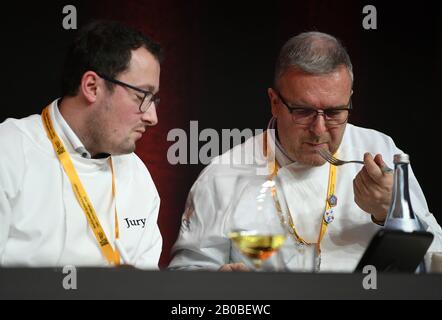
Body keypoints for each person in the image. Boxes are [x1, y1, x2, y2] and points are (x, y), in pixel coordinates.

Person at [169, 31, 442, 272]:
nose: (319, 129)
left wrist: (392, 214)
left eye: (335, 112)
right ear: (274, 103)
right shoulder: (223, 174)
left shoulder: (381, 151)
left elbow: (435, 258)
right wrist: (218, 287)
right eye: (303, 111)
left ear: (349, 101)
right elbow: (186, 273)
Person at [0, 20, 163, 269]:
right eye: (141, 96)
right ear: (92, 87)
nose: (152, 117)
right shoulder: (8, 150)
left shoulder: (139, 177)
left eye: (154, 99)